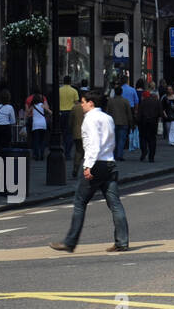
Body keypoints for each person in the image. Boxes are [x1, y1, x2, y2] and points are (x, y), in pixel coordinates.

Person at [51, 88, 129, 253]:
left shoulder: (90, 119)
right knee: (115, 204)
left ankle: (70, 242)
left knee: (80, 203)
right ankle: (122, 241)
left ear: (91, 103)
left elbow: (93, 143)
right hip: (109, 163)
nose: (81, 104)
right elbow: (110, 142)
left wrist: (88, 166)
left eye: (83, 101)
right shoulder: (108, 118)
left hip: (95, 163)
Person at [135, 81, 161, 163]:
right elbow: (160, 112)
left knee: (143, 138)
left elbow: (139, 112)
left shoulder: (143, 102)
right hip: (153, 122)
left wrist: (137, 121)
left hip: (143, 122)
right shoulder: (156, 101)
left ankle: (144, 151)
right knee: (152, 139)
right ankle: (151, 156)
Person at [106, 85, 133, 161]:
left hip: (112, 123)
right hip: (123, 122)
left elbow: (107, 112)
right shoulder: (125, 101)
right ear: (121, 93)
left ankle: (113, 154)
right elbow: (129, 113)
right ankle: (119, 155)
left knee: (113, 140)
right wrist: (131, 123)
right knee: (121, 140)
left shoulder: (110, 101)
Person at [26, 86, 50, 165]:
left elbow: (27, 113)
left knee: (35, 140)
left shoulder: (31, 103)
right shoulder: (43, 102)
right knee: (43, 140)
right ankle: (42, 154)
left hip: (35, 124)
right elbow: (49, 110)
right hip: (43, 124)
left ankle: (36, 155)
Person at [70, 87, 87, 177]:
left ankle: (76, 168)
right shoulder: (89, 107)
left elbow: (71, 121)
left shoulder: (75, 108)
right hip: (87, 134)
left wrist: (71, 129)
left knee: (78, 151)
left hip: (77, 133)